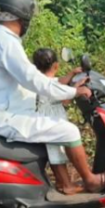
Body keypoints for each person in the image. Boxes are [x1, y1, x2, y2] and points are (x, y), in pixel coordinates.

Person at [0, 0, 105, 193]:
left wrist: (65, 85)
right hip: (6, 118)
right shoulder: (6, 42)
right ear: (21, 14)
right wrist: (74, 92)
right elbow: (35, 81)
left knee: (52, 129)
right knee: (69, 129)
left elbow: (30, 79)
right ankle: (90, 180)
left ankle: (65, 184)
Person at [32, 48, 85, 195]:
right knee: (57, 153)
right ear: (56, 65)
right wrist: (76, 88)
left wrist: (72, 74)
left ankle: (61, 183)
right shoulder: (50, 85)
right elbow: (66, 99)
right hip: (52, 121)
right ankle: (68, 185)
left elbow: (58, 81)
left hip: (44, 119)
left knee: (55, 153)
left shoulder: (39, 81)